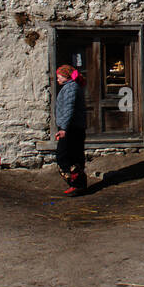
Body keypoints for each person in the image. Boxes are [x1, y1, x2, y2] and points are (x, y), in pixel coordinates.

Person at [54, 64, 88, 195]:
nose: (57, 79)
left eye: (59, 76)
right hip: (73, 127)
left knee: (64, 156)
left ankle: (76, 184)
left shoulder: (71, 88)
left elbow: (69, 108)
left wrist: (63, 128)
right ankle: (79, 185)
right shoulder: (70, 87)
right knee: (74, 156)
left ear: (66, 76)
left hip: (71, 128)